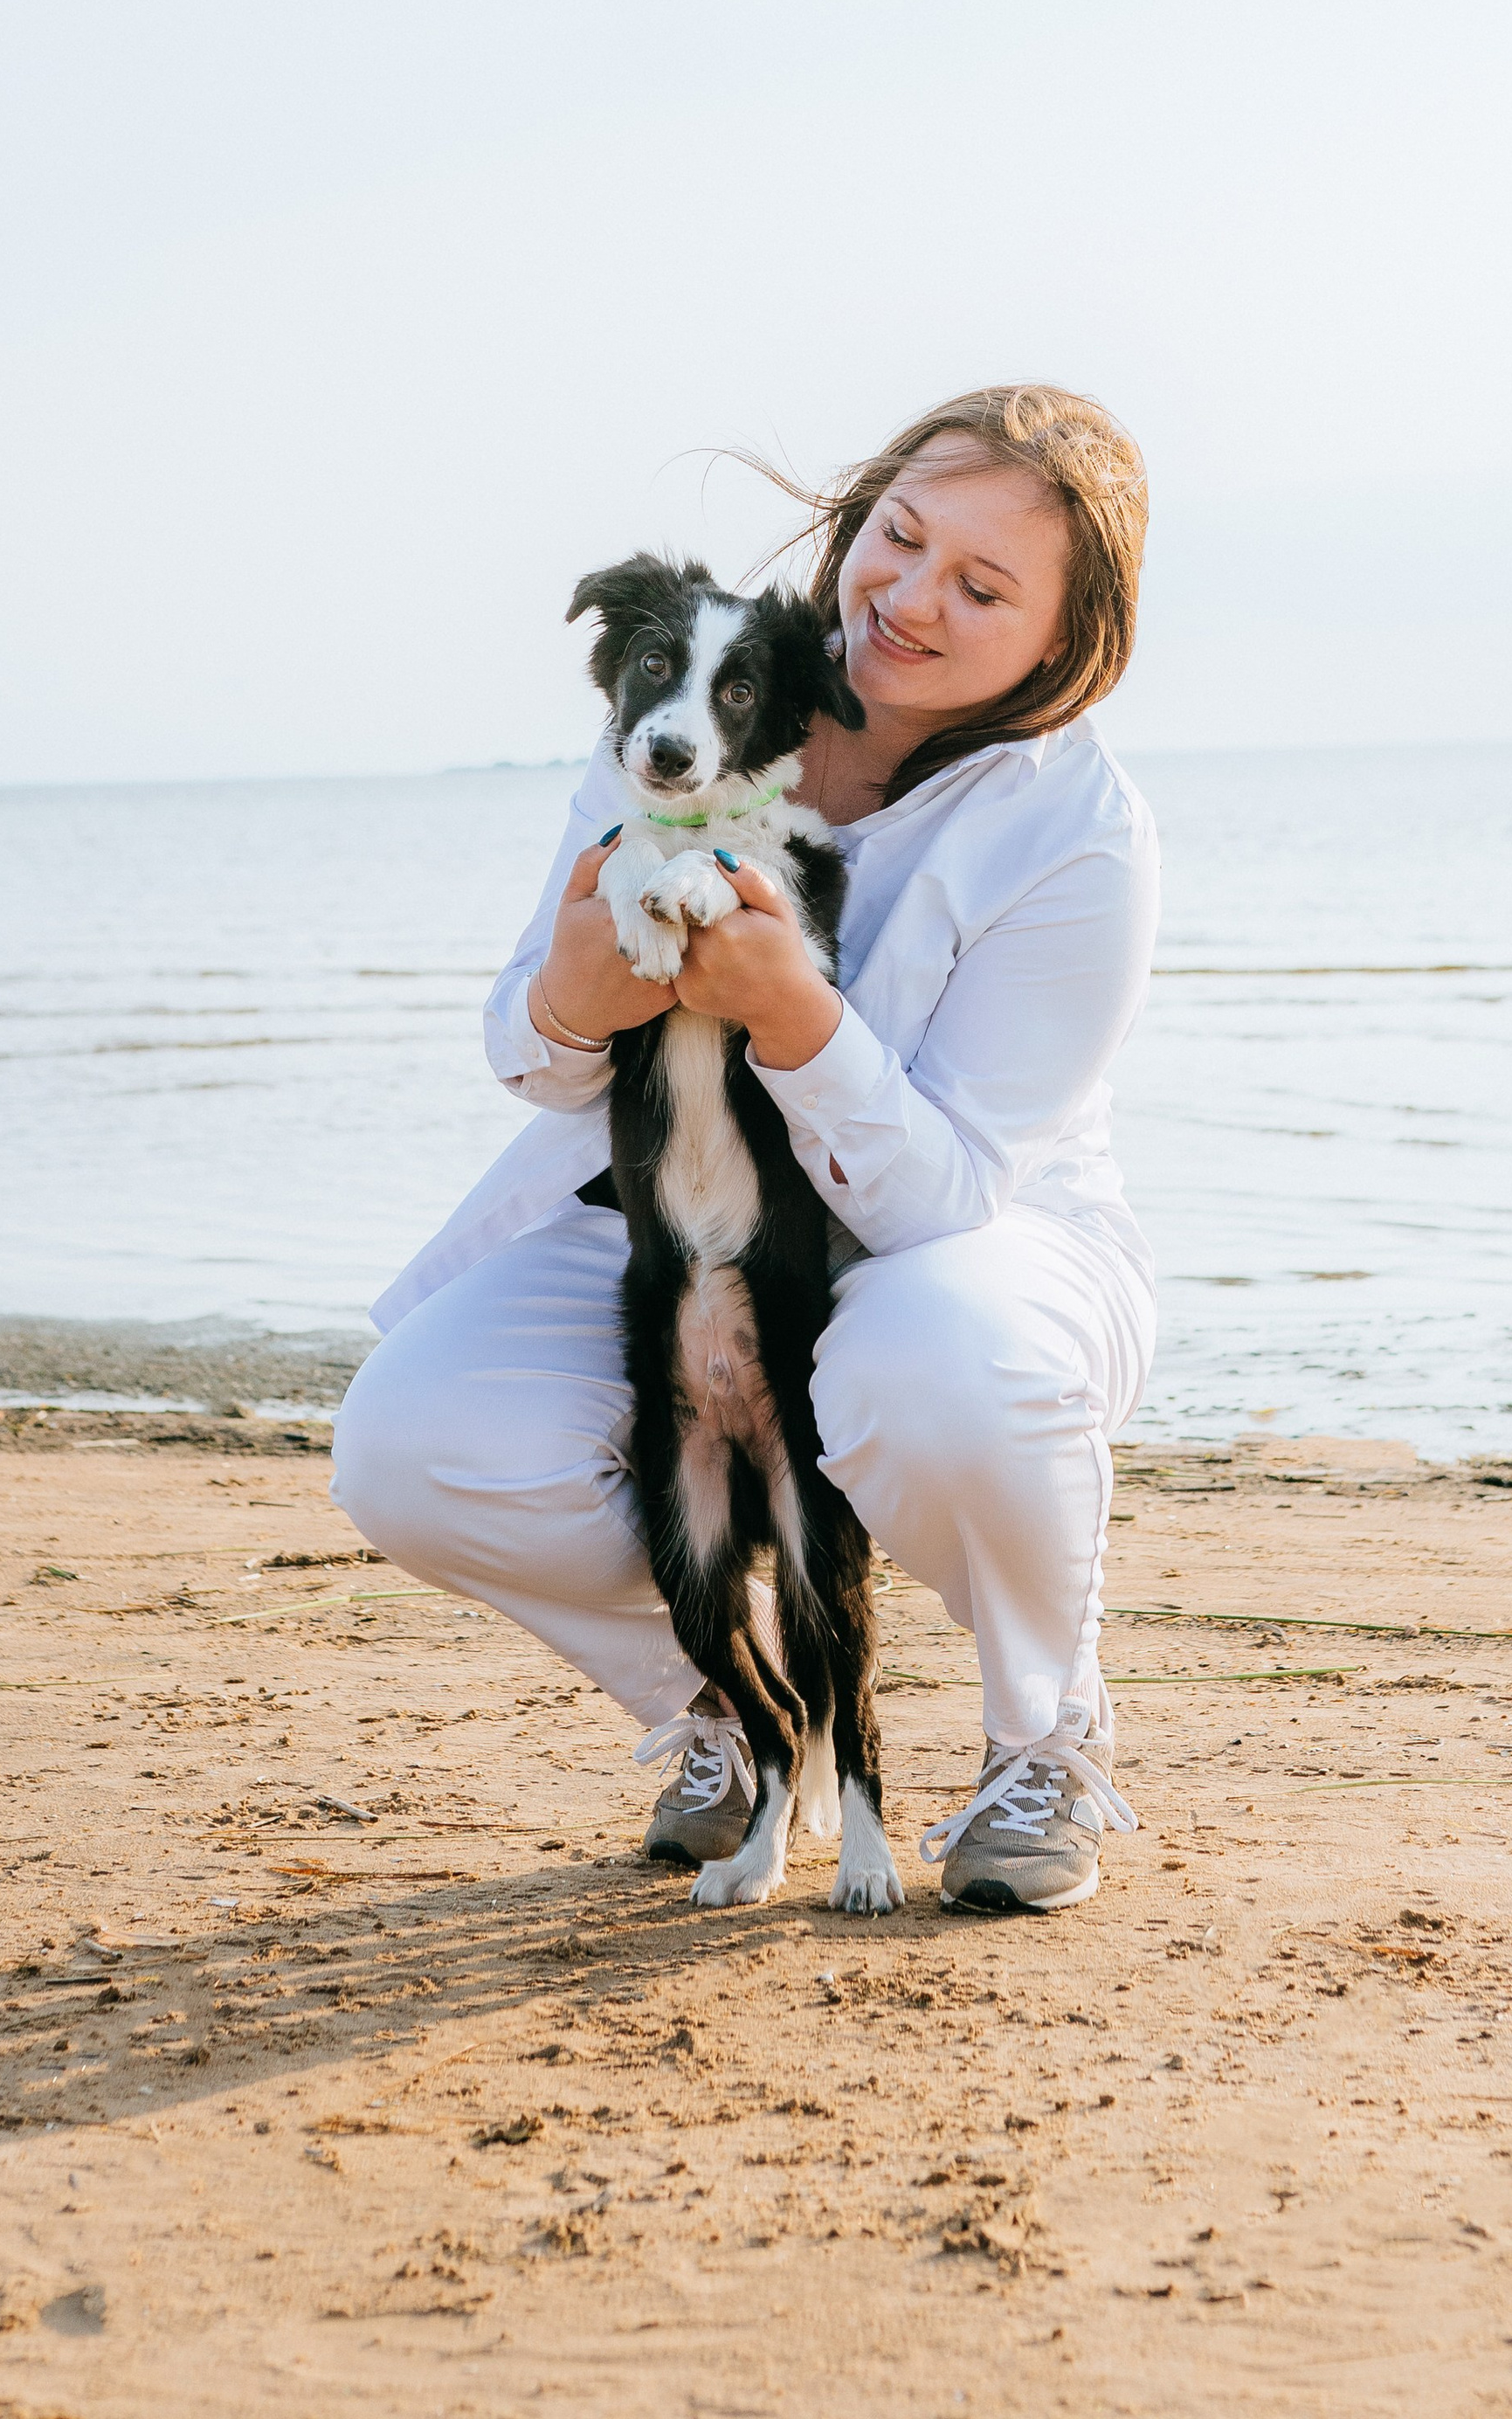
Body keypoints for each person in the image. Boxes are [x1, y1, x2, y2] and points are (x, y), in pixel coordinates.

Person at [331, 384, 1159, 1914]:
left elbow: (954, 1185)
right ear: (856, 518)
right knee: (412, 1445)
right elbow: (533, 1046)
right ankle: (728, 1710)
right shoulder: (711, 692)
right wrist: (568, 1002)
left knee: (929, 1366)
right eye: (898, 537)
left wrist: (797, 1015)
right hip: (691, 1208)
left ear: (1063, 637)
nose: (908, 598)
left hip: (969, 1243)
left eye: (982, 587)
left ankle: (1044, 1735)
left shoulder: (1077, 824)